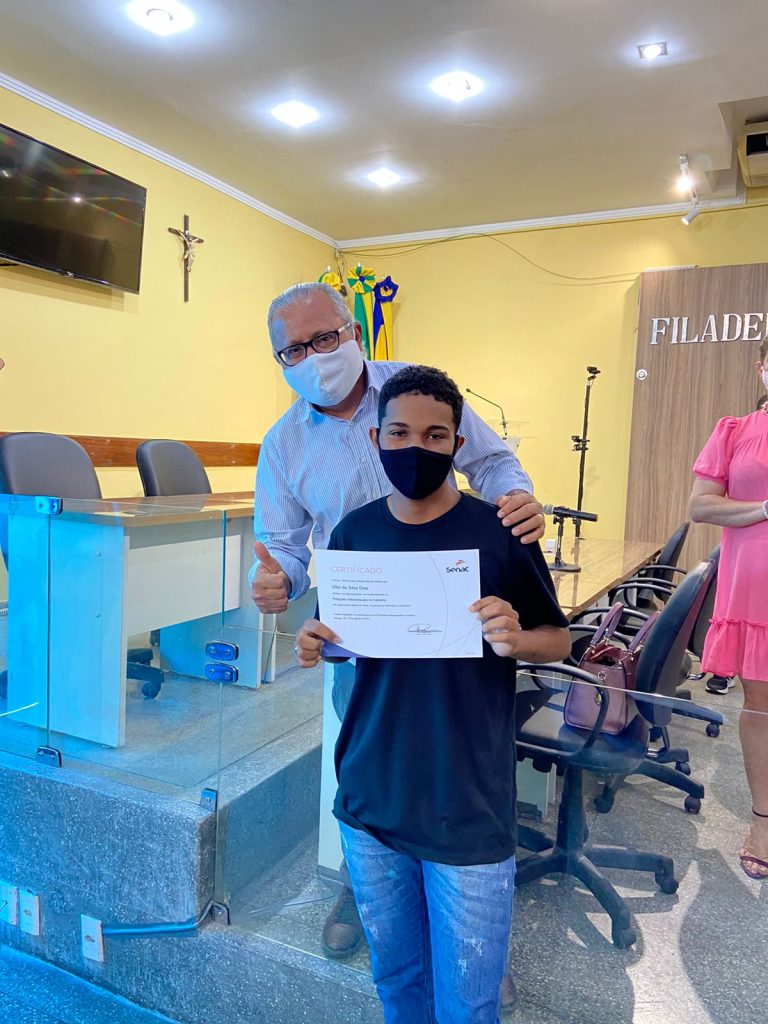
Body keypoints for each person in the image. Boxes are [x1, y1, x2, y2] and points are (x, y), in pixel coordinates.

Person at [251, 281, 547, 966]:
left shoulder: (414, 391)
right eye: (293, 350)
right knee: (367, 765)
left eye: (325, 338)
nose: (313, 356)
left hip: (454, 620)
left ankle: (472, 927)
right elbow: (287, 547)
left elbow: (492, 462)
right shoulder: (284, 445)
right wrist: (278, 581)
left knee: (456, 764)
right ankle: (362, 886)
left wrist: (516, 500)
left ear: (353, 331)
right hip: (364, 636)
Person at [294, 365, 570, 1023]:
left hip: (466, 797)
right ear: (376, 438)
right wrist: (315, 642)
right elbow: (343, 639)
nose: (415, 447)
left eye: (435, 435)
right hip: (372, 792)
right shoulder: (353, 534)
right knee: (397, 982)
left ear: (457, 443)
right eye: (399, 433)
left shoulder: (501, 531)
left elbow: (558, 640)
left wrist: (516, 639)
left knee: (469, 1003)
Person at [689, 339, 768, 881]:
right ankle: (763, 821)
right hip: (754, 591)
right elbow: (701, 505)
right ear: (762, 368)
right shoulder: (735, 431)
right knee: (760, 704)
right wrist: (764, 507)